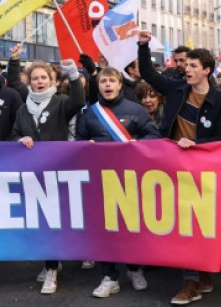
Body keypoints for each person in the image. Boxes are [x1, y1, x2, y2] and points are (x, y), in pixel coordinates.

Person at [135, 32, 221, 306]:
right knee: (184, 224)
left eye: (192, 66)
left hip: (204, 169)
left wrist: (196, 144)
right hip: (174, 167)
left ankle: (199, 277)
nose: (186, 69)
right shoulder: (176, 89)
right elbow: (148, 73)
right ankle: (193, 281)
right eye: (186, 65)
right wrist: (143, 46)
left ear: (207, 70)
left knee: (200, 223)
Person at [75, 66, 160, 298]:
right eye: (103, 81)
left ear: (120, 84)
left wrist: (138, 143)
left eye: (112, 81)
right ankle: (109, 276)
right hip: (100, 181)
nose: (108, 85)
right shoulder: (89, 113)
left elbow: (154, 135)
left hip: (129, 179)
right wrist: (85, 146)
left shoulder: (136, 110)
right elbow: (79, 141)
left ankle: (134, 268)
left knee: (130, 227)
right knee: (104, 230)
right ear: (98, 85)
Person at [11, 59, 84, 294]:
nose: (39, 82)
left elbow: (78, 101)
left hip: (57, 170)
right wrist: (20, 139)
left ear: (52, 81)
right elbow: (14, 134)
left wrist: (73, 74)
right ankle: (50, 262)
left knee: (53, 221)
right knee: (41, 222)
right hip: (33, 173)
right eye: (35, 78)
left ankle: (51, 270)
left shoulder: (61, 102)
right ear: (29, 82)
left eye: (44, 77)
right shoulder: (22, 109)